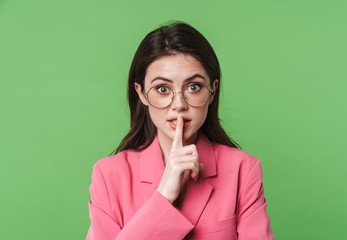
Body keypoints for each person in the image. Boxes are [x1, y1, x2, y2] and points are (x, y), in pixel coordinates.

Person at [86, 22, 275, 240]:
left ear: (212, 91)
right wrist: (163, 196)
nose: (179, 104)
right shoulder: (109, 175)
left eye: (193, 87)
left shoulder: (243, 170)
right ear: (142, 94)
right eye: (162, 89)